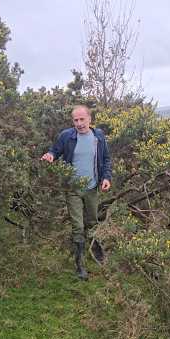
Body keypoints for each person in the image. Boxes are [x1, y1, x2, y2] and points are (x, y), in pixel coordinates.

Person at [41, 105, 112, 280]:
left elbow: (106, 159)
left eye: (82, 119)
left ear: (89, 119)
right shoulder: (67, 136)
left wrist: (106, 178)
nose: (79, 123)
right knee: (78, 226)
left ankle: (95, 248)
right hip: (73, 189)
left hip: (92, 188)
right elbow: (55, 150)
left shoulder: (98, 136)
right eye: (76, 120)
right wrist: (50, 155)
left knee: (92, 221)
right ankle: (80, 264)